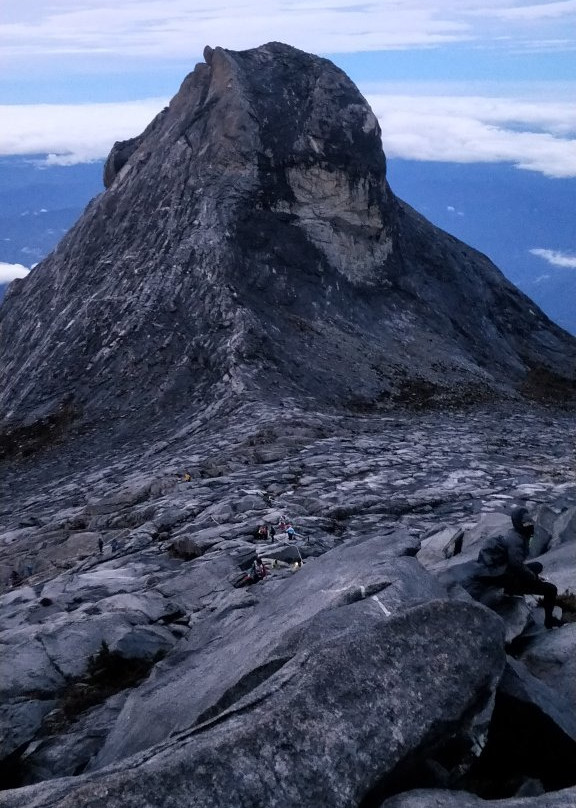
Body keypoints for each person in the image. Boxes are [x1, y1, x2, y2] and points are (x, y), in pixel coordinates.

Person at [474, 506, 561, 628]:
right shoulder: (517, 540)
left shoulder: (514, 534)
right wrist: (533, 578)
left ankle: (516, 587)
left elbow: (515, 563)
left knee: (537, 566)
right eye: (526, 523)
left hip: (502, 571)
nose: (530, 525)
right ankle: (549, 621)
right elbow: (516, 566)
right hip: (507, 578)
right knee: (551, 589)